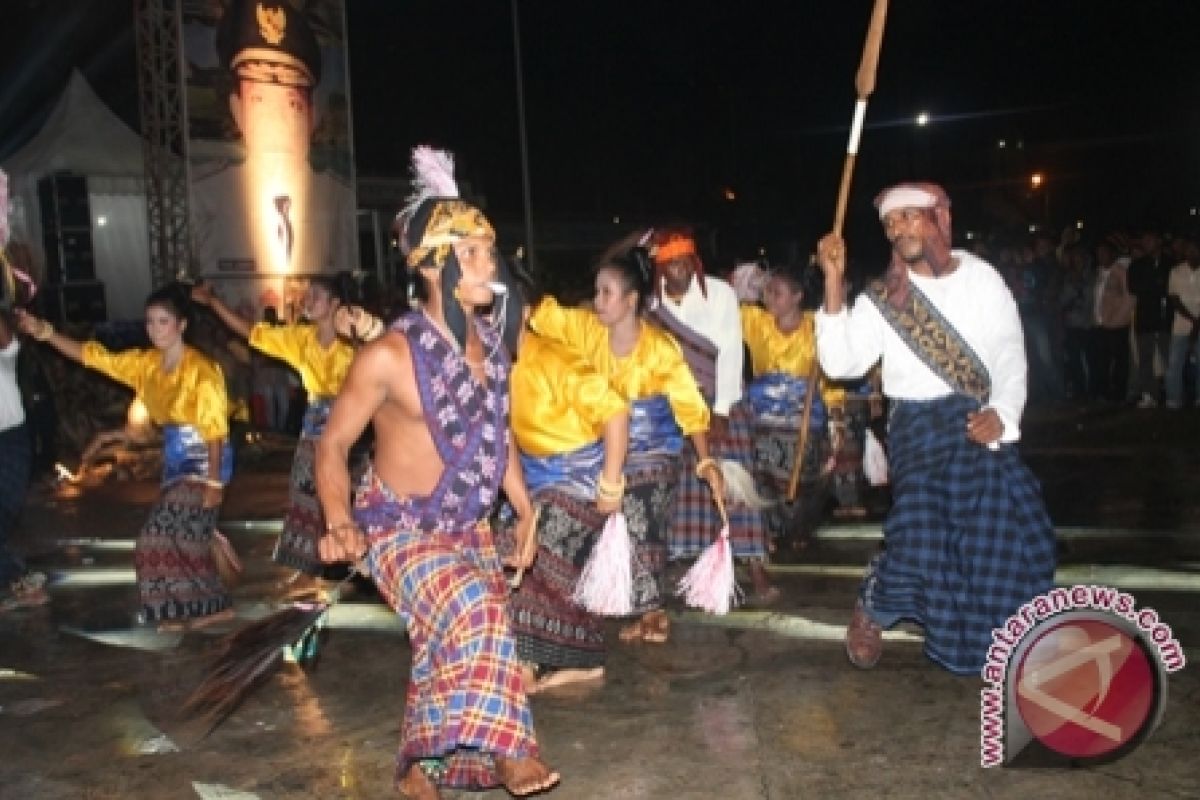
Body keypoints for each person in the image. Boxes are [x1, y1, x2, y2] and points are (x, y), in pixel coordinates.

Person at [313, 147, 556, 799]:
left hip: (468, 527)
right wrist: (338, 520)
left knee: (451, 629)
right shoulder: (388, 356)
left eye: (488, 250)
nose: (489, 264)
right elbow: (332, 445)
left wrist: (526, 510)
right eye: (472, 251)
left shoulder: (493, 347)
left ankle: (420, 766)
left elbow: (495, 437)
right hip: (399, 530)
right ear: (433, 264)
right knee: (473, 606)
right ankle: (508, 748)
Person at [812, 182, 1057, 675]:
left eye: (909, 217)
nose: (899, 229)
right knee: (919, 539)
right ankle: (874, 605)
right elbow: (840, 361)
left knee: (994, 541)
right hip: (917, 429)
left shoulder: (982, 279)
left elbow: (1009, 351)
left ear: (940, 218)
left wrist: (1004, 415)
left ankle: (1004, 644)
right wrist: (834, 283)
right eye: (890, 224)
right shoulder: (885, 296)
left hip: (976, 421)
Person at [529, 239, 722, 644]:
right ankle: (593, 598)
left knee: (638, 498)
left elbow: (689, 407)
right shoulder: (586, 331)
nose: (596, 302)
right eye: (596, 291)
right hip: (604, 452)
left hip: (653, 451)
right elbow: (541, 317)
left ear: (631, 300)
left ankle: (652, 612)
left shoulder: (659, 348)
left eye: (606, 294)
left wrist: (706, 461)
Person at [16, 286, 235, 631]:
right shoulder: (146, 365)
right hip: (176, 461)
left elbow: (215, 431)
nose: (155, 329)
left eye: (163, 321)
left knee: (156, 537)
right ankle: (186, 609)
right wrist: (46, 333)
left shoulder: (202, 370)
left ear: (181, 325)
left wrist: (213, 482)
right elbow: (93, 356)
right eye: (150, 322)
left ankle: (209, 606)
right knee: (179, 538)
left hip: (205, 460)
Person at [192, 275, 354, 580]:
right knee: (305, 489)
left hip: (351, 423)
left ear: (335, 305)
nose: (308, 300)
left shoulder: (355, 344)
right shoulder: (300, 339)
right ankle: (319, 561)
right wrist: (213, 303)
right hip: (315, 423)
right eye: (307, 295)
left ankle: (352, 553)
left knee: (346, 488)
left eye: (316, 295)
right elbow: (253, 332)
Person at [648, 229, 776, 602]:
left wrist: (720, 410)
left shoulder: (719, 293)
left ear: (696, 263)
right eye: (671, 262)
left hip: (721, 400)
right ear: (659, 267)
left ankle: (755, 567)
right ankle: (693, 566)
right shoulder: (653, 306)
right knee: (687, 486)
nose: (679, 268)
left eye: (686, 261)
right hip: (676, 406)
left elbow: (731, 350)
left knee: (735, 482)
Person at [507, 319, 630, 692]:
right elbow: (501, 438)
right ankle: (553, 655)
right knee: (501, 546)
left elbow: (616, 411)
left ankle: (536, 662)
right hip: (533, 488)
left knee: (534, 544)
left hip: (580, 485)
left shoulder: (555, 357)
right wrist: (521, 505)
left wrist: (610, 484)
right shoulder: (489, 366)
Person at [191, 0, 356, 276]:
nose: (277, 122)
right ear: (238, 110)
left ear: (311, 116)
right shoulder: (206, 197)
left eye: (292, 106)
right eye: (260, 102)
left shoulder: (336, 199)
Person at [740, 262, 846, 550]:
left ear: (797, 296)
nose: (770, 298)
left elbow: (831, 372)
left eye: (778, 293)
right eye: (769, 292)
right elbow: (730, 295)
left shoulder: (817, 326)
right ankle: (770, 530)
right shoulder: (756, 322)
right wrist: (752, 281)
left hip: (804, 414)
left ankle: (799, 528)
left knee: (805, 475)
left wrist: (835, 410)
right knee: (763, 471)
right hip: (764, 416)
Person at [0, 311, 48, 612]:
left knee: (4, 512)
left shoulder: (4, 359)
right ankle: (15, 578)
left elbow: (6, 341)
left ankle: (15, 578)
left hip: (10, 443)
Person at [1127, 230, 1171, 408]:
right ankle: (1149, 394)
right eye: (1144, 240)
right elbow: (1135, 287)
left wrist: (1156, 285)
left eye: (1149, 240)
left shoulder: (1169, 263)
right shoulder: (1137, 265)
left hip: (1165, 318)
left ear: (1158, 241)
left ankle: (1171, 392)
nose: (1146, 243)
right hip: (1145, 318)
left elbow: (1170, 288)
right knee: (1145, 358)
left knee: (1169, 357)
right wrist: (1156, 284)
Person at [1089, 241, 1134, 404]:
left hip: (1117, 324)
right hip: (1100, 323)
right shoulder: (1099, 273)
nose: (1101, 256)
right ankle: (1105, 391)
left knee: (1119, 361)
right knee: (1103, 360)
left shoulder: (1121, 272)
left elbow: (1129, 298)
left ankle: (1118, 393)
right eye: (1098, 253)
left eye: (1104, 253)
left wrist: (1118, 318)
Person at [1165, 238, 1200, 409]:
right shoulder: (1176, 271)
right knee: (1174, 363)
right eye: (1189, 250)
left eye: (1195, 250)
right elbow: (1174, 300)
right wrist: (1194, 320)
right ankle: (1173, 399)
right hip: (1181, 325)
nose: (1192, 253)